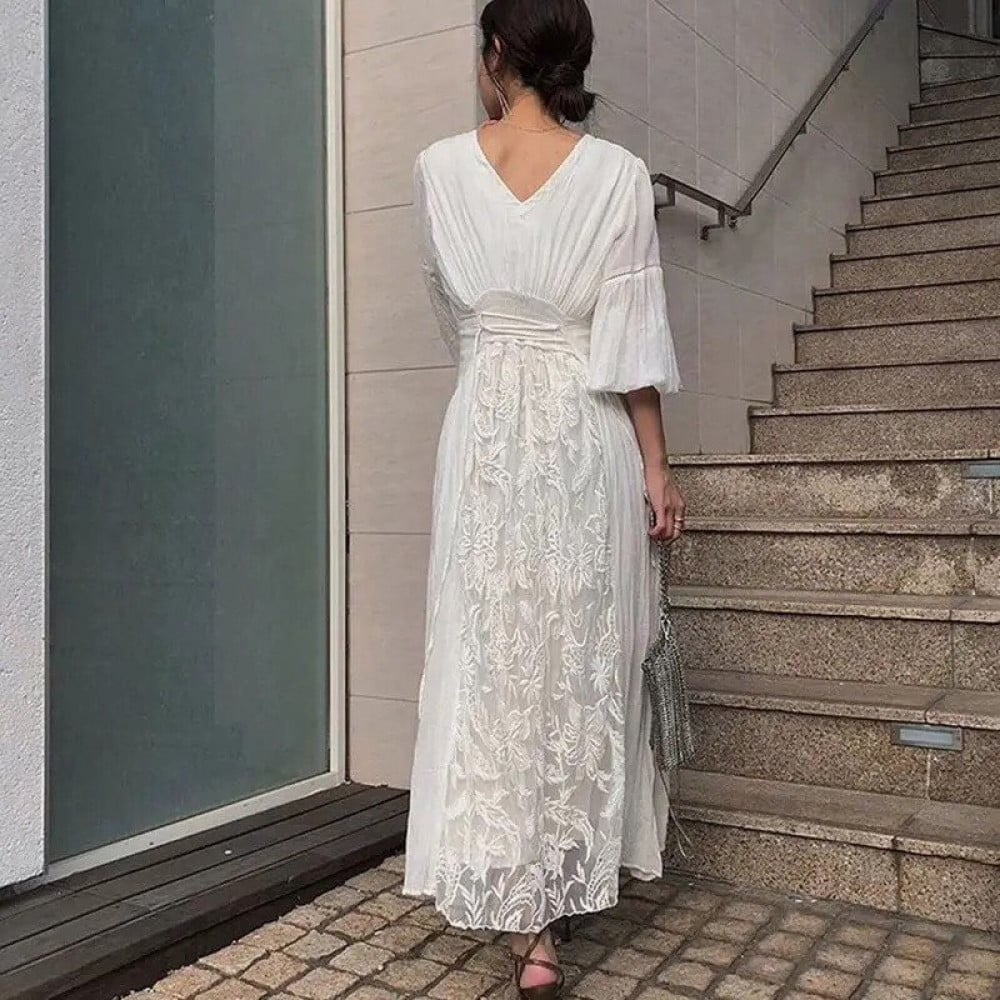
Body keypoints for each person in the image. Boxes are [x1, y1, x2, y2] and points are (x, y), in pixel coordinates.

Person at [401, 0, 686, 995]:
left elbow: (453, 313)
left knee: (489, 651)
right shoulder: (617, 175)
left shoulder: (438, 168)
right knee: (574, 653)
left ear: (495, 57)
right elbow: (631, 340)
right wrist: (658, 468)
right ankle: (552, 894)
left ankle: (523, 920)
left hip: (485, 432)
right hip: (584, 429)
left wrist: (497, 363)